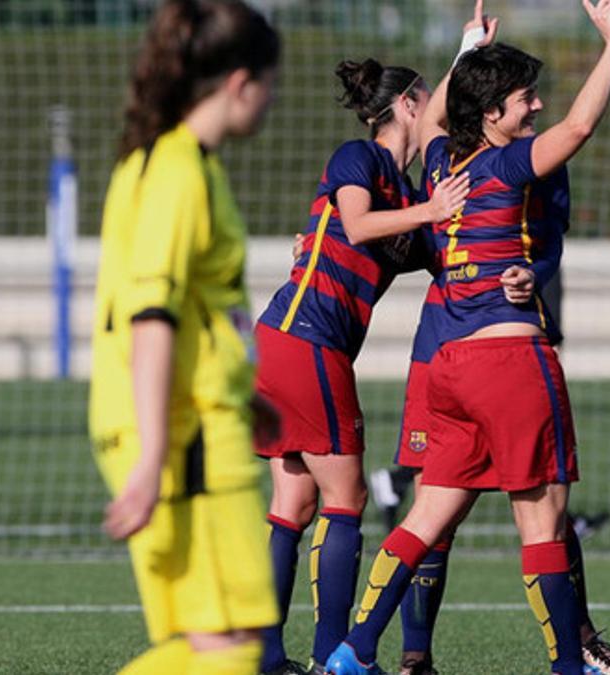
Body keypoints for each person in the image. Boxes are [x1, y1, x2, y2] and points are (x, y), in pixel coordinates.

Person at [325, 1, 610, 674]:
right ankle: (569, 665)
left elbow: (431, 119)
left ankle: (354, 648)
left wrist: (465, 49)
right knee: (543, 523)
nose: (537, 105)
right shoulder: (507, 166)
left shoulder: (438, 164)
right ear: (492, 114)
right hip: (510, 359)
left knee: (426, 516)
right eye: (524, 98)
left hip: (451, 365)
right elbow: (580, 124)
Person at [250, 50, 473, 674]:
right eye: (429, 100)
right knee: (345, 498)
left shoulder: (405, 195)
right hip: (306, 340)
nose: (439, 114)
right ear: (406, 106)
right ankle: (332, 658)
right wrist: (430, 212)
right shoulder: (361, 158)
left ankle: (267, 659)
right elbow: (352, 223)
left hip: (293, 341)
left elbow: (433, 248)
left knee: (293, 505)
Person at [88, 1, 282, 673]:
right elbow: (150, 317)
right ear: (238, 84)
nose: (273, 99)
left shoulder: (176, 163)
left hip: (196, 419)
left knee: (214, 644)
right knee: (230, 645)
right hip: (184, 433)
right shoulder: (176, 172)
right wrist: (149, 458)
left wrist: (241, 390)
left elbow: (198, 310)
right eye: (270, 82)